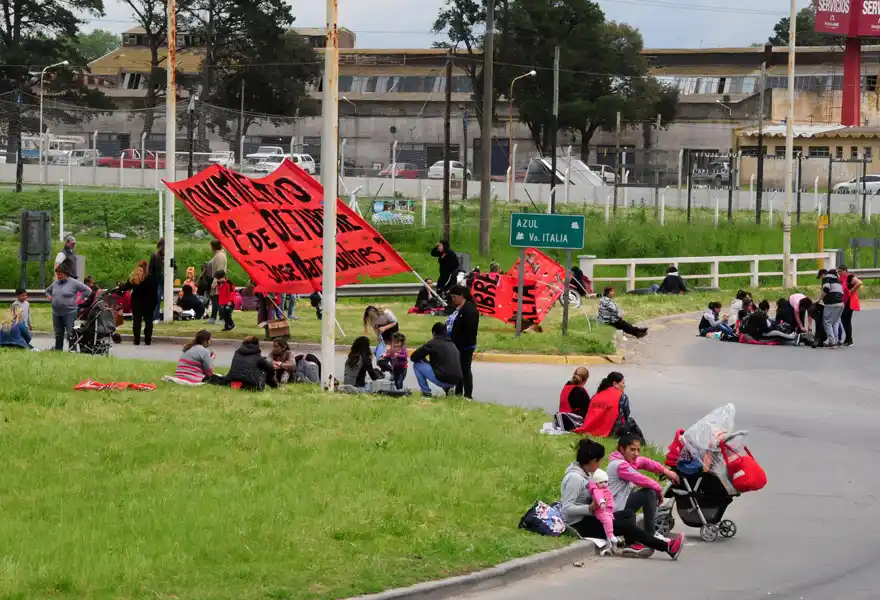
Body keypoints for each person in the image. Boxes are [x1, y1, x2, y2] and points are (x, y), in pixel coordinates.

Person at [560, 438, 685, 559]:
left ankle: (632, 544)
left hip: (593, 516)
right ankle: (667, 547)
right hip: (579, 524)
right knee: (625, 525)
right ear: (593, 461)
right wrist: (590, 508)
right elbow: (566, 509)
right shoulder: (574, 478)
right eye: (600, 461)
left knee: (628, 514)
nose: (600, 465)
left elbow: (645, 462)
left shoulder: (586, 474)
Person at [607, 433, 680, 539]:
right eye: (632, 449)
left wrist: (666, 471)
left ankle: (649, 534)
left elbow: (645, 462)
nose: (636, 453)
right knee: (649, 492)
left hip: (621, 507)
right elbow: (641, 480)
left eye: (638, 450)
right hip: (615, 512)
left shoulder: (627, 461)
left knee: (651, 491)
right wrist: (659, 491)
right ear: (622, 449)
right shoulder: (620, 465)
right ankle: (650, 535)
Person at [574, 372, 641, 440]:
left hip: (590, 429)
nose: (624, 386)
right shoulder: (622, 396)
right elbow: (627, 414)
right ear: (615, 383)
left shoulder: (596, 395)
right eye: (623, 383)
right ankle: (642, 446)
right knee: (631, 422)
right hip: (610, 432)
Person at [46, 265, 92, 350]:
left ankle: (72, 350)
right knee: (58, 333)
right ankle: (58, 350)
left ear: (66, 274)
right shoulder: (56, 283)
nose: (58, 276)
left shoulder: (74, 283)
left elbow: (88, 290)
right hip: (56, 312)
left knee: (71, 333)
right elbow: (47, 291)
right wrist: (49, 296)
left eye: (60, 274)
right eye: (57, 274)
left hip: (69, 312)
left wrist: (79, 298)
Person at [410, 322, 462, 397]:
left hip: (443, 378)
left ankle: (426, 392)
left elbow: (413, 357)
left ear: (434, 333)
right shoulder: (452, 344)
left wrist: (422, 358)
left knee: (417, 365)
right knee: (442, 369)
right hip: (456, 381)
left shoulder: (433, 343)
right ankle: (448, 389)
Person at [446, 285, 479, 398]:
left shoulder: (469, 310)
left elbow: (470, 329)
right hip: (456, 344)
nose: (453, 299)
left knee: (465, 369)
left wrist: (457, 340)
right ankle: (458, 393)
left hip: (465, 346)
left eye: (454, 297)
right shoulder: (458, 308)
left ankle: (468, 395)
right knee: (458, 369)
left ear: (461, 296)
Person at [116, 260, 158, 346]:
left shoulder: (135, 278)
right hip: (150, 301)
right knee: (148, 321)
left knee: (137, 321)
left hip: (137, 301)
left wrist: (119, 288)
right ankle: (147, 340)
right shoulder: (152, 278)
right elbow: (155, 290)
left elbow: (126, 286)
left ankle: (137, 340)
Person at [588, 469, 621, 546]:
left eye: (605, 482)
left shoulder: (606, 489)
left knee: (610, 522)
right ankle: (610, 535)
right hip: (601, 511)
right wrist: (601, 502)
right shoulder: (597, 490)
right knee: (607, 521)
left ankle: (610, 537)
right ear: (596, 483)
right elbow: (598, 496)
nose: (603, 484)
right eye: (600, 482)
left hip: (608, 511)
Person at [818, 268, 845, 348]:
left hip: (831, 304)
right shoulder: (838, 281)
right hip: (841, 304)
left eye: (820, 276)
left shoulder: (826, 279)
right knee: (835, 322)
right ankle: (836, 340)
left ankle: (832, 341)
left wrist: (820, 299)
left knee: (827, 322)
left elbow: (826, 289)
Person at [838, 265, 862, 347]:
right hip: (845, 301)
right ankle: (848, 339)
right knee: (845, 319)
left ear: (845, 270)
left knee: (845, 318)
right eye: (838, 271)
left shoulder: (849, 277)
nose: (839, 273)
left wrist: (851, 290)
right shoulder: (841, 279)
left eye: (840, 271)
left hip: (850, 301)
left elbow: (859, 283)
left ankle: (849, 340)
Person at [207, 240, 227, 324]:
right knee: (215, 299)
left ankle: (222, 318)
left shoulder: (220, 256)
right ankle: (213, 317)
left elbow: (220, 270)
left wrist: (215, 282)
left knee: (218, 300)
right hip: (217, 279)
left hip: (219, 281)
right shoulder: (218, 255)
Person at [149, 238, 165, 322]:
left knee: (160, 299)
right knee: (157, 299)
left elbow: (174, 267)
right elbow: (150, 270)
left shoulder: (170, 255)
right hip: (158, 281)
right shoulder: (155, 256)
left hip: (165, 281)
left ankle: (163, 315)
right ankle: (156, 316)